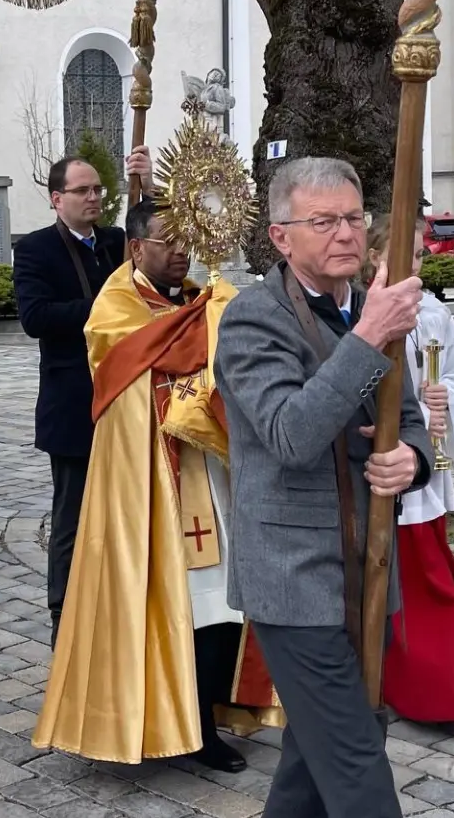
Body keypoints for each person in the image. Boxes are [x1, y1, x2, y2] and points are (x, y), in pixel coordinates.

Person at [215, 157, 431, 818]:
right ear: (281, 237)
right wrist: (368, 338)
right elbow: (290, 433)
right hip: (293, 576)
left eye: (352, 217)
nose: (345, 233)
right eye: (323, 220)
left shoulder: (371, 305)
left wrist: (410, 461)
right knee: (357, 758)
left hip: (366, 567)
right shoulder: (253, 317)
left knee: (314, 757)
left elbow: (413, 421)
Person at [34, 197, 277, 773]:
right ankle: (156, 718)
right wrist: (213, 325)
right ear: (137, 246)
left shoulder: (202, 299)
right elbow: (152, 362)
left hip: (211, 473)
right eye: (167, 240)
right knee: (171, 603)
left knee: (222, 602)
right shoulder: (114, 307)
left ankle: (204, 721)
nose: (180, 251)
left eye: (186, 239)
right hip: (151, 481)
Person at [14, 146, 152, 641]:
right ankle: (64, 612)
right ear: (57, 199)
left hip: (129, 395)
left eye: (98, 189)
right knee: (72, 512)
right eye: (83, 190)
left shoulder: (118, 241)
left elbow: (157, 235)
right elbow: (35, 318)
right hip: (72, 400)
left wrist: (149, 183)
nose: (95, 197)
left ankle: (123, 599)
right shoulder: (35, 249)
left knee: (133, 505)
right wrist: (105, 310)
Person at [364, 222, 454, 736]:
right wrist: (417, 410)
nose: (413, 266)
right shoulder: (357, 313)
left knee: (432, 580)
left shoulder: (434, 314)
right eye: (400, 254)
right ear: (373, 255)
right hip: (376, 470)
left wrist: (445, 405)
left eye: (418, 255)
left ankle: (451, 686)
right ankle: (418, 688)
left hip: (422, 475)